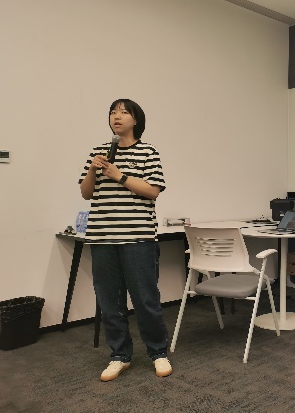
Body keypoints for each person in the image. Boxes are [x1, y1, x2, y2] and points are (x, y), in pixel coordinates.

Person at [79, 99, 172, 381]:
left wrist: (119, 175)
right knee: (109, 301)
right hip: (102, 237)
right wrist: (94, 169)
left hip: (138, 238)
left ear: (136, 120)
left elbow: (153, 190)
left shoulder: (148, 152)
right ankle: (119, 355)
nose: (116, 116)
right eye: (113, 112)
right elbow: (86, 193)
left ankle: (158, 352)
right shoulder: (98, 152)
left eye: (123, 112)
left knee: (146, 299)